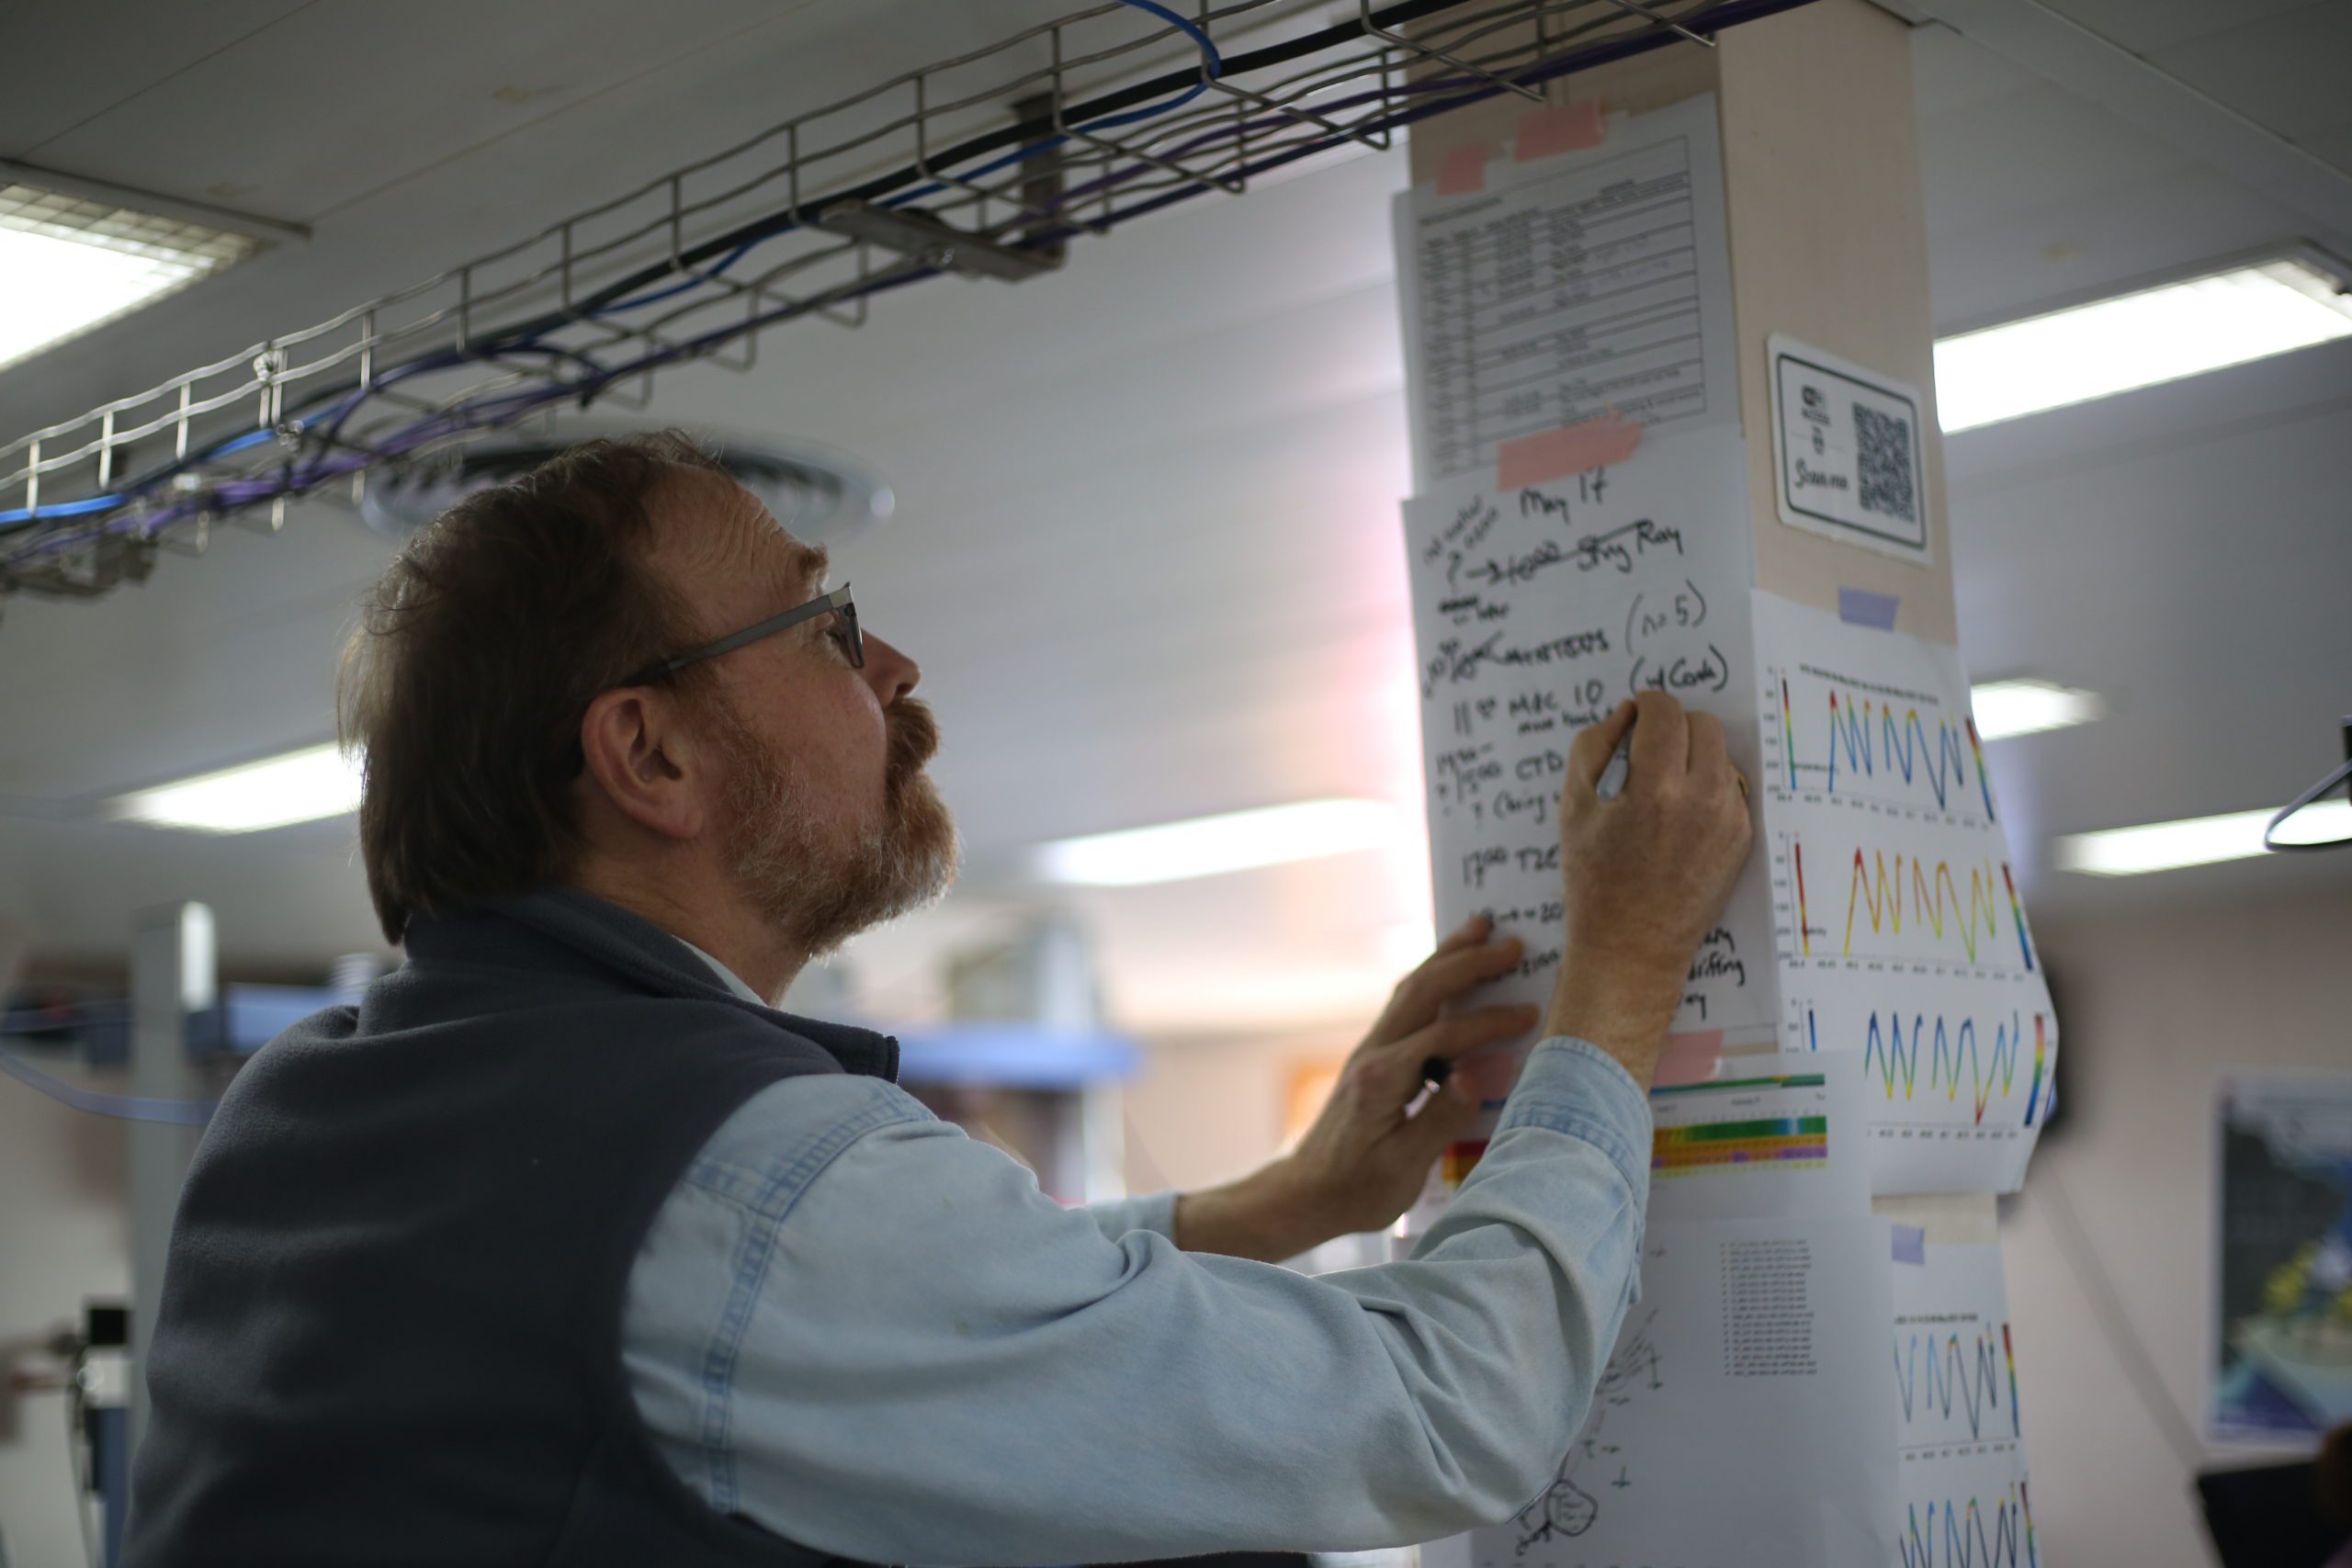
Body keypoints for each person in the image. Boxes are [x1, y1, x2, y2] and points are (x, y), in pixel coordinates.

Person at [122, 430, 1752, 1565]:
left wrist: (1279, 1204)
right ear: (652, 754)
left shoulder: (307, 1113)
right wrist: (1619, 978)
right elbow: (1451, 1416)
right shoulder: (755, 1177)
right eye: (823, 623)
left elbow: (868, 1309)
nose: (892, 666)